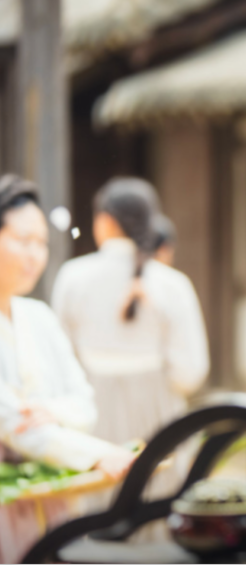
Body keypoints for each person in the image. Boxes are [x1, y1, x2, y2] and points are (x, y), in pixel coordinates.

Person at [0, 175, 135, 564]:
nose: (35, 255)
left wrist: (55, 412)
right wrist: (96, 455)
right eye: (23, 240)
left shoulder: (38, 316)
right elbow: (13, 423)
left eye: (41, 243)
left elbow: (84, 403)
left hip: (51, 500)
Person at [52, 178, 209, 445]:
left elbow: (59, 361)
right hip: (159, 425)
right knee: (158, 484)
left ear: (105, 221)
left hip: (91, 422)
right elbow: (190, 372)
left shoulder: (72, 277)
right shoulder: (174, 284)